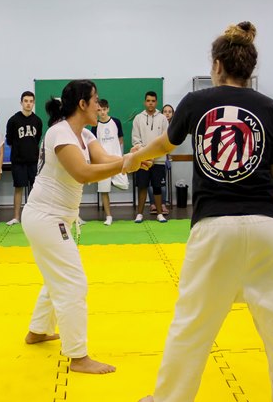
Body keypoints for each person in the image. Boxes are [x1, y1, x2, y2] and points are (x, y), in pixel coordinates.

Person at [125, 22, 273, 402]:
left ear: (217, 65)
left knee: (193, 320)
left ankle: (169, 401)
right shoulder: (270, 108)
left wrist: (133, 158)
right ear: (250, 68)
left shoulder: (197, 101)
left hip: (214, 225)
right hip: (269, 226)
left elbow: (164, 145)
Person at [23, 80, 140, 374]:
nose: (99, 106)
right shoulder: (59, 133)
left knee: (56, 277)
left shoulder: (85, 134)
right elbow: (83, 173)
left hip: (55, 218)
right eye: (95, 100)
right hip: (46, 218)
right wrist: (126, 164)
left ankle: (38, 330)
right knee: (73, 283)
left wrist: (133, 158)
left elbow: (105, 159)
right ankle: (78, 357)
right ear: (82, 104)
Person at [5, 91, 43, 226]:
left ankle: (34, 217)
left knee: (35, 189)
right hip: (18, 161)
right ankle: (16, 217)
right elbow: (9, 140)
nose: (28, 104)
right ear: (21, 102)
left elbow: (37, 139)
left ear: (34, 103)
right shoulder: (13, 120)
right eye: (26, 101)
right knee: (18, 188)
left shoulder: (37, 121)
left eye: (31, 101)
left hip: (33, 160)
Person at [132, 91, 169, 223]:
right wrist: (147, 155)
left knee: (157, 187)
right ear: (145, 102)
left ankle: (160, 214)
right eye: (148, 101)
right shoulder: (138, 118)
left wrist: (154, 155)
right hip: (143, 160)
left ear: (156, 102)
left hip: (159, 160)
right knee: (142, 186)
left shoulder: (163, 119)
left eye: (153, 101)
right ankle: (139, 214)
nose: (150, 103)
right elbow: (136, 140)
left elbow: (165, 140)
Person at [90, 99, 126, 225]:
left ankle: (111, 180)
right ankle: (108, 216)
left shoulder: (116, 122)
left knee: (124, 185)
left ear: (108, 109)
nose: (102, 112)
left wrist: (120, 156)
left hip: (117, 161)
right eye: (99, 110)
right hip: (103, 163)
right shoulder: (95, 126)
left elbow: (121, 139)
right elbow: (93, 145)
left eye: (104, 109)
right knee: (104, 190)